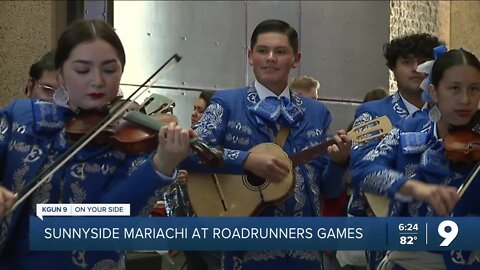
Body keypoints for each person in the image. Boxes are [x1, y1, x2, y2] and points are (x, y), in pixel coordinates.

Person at [0, 19, 191, 269]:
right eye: (82, 70)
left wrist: (161, 165)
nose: (98, 81)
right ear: (61, 75)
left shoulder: (130, 141)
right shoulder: (19, 117)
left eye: (110, 70)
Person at [182, 19, 351, 270]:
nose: (270, 58)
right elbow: (189, 153)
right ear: (251, 56)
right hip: (245, 245)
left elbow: (329, 189)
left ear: (296, 59)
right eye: (263, 51)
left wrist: (339, 162)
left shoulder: (317, 113)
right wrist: (246, 161)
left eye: (280, 52)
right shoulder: (228, 103)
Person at [355, 48, 480, 269]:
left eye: (474, 89)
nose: (465, 99)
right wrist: (413, 188)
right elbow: (364, 170)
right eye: (454, 89)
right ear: (433, 92)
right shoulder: (410, 128)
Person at [347, 33, 443, 269]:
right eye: (407, 62)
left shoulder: (447, 112)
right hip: (387, 222)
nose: (416, 69)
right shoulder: (373, 112)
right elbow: (363, 165)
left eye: (423, 62)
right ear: (393, 69)